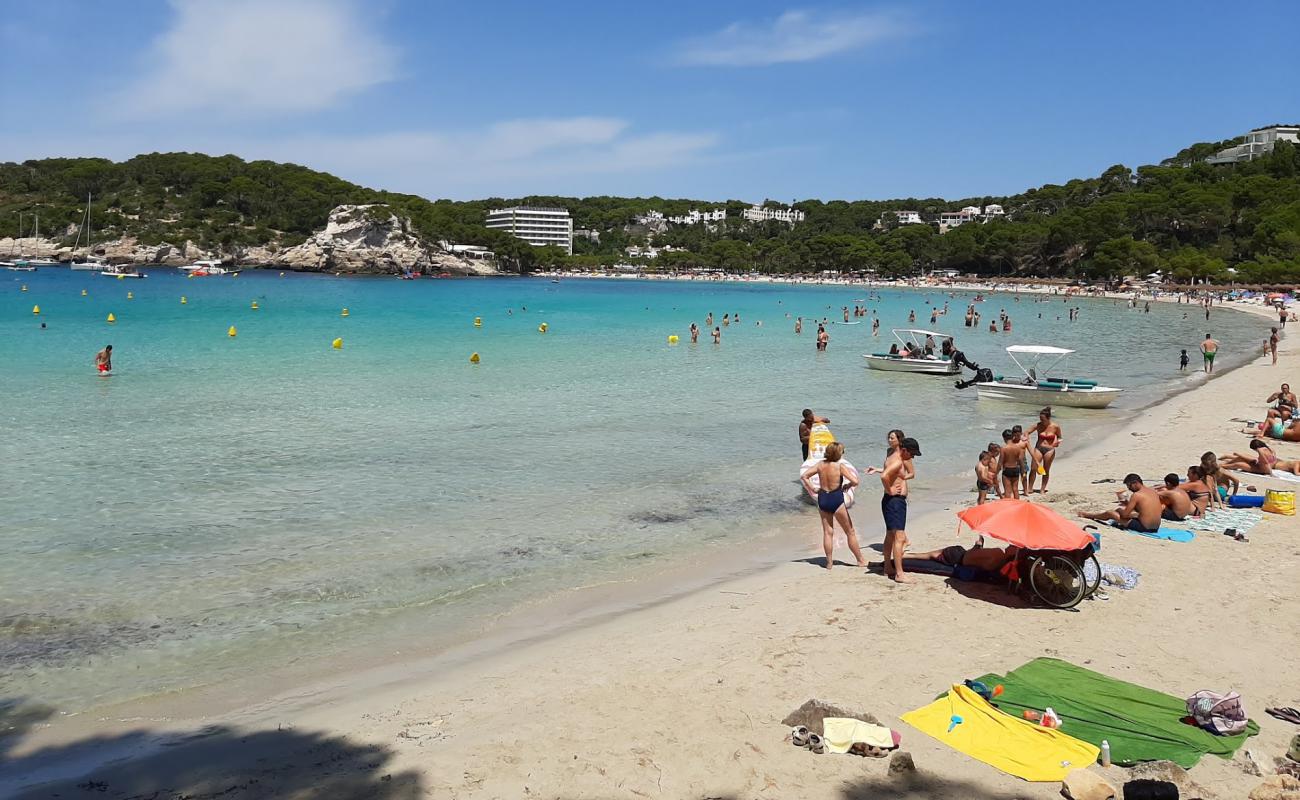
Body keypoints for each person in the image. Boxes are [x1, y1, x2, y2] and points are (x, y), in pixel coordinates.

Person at [800, 442, 865, 570]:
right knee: (850, 532)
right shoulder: (839, 466)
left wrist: (813, 488)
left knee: (828, 532)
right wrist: (847, 486)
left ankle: (829, 563)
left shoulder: (820, 465)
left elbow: (804, 476)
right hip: (836, 498)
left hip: (823, 498)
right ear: (838, 453)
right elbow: (855, 481)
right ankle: (860, 560)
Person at [877, 437, 921, 583]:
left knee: (890, 535)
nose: (913, 457)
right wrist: (890, 490)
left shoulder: (892, 457)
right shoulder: (897, 461)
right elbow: (884, 476)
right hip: (894, 502)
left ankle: (888, 568)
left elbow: (886, 473)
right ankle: (899, 574)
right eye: (912, 453)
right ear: (904, 450)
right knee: (899, 537)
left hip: (891, 502)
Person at [1082, 473, 1163, 533]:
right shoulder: (1152, 491)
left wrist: (1119, 510)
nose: (1129, 489)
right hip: (1156, 527)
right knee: (1129, 513)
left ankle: (1088, 515)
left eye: (1129, 486)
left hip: (1145, 528)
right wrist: (1126, 503)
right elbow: (1142, 509)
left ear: (1135, 483)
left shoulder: (1137, 495)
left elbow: (1124, 515)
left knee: (1111, 513)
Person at [908, 541, 1018, 574]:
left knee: (927, 556)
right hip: (960, 556)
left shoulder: (997, 553)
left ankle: (906, 555)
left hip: (957, 555)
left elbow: (971, 555)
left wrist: (977, 545)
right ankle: (907, 555)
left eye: (1013, 546)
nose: (1010, 544)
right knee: (928, 556)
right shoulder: (1000, 561)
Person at [1026, 407, 1062, 494]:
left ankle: (1042, 489)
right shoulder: (1038, 425)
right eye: (1040, 418)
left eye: (1043, 419)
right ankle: (1030, 488)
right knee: (1033, 468)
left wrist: (1057, 442)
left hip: (1049, 449)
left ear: (1048, 418)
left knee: (1046, 469)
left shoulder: (1055, 427)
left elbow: (1060, 437)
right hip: (1038, 448)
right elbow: (1027, 432)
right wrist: (1026, 438)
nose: (1041, 420)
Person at [998, 428, 1028, 500]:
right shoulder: (1018, 447)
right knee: (1015, 489)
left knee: (1007, 491)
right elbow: (1021, 461)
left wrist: (996, 472)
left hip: (1007, 470)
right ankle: (1017, 504)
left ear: (1004, 438)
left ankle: (1009, 505)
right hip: (1016, 469)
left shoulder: (1003, 448)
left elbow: (1000, 462)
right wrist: (1023, 472)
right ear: (1012, 437)